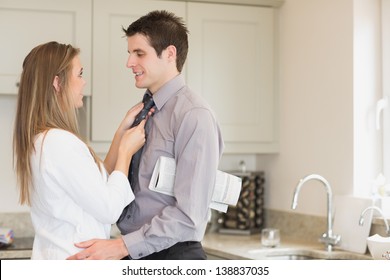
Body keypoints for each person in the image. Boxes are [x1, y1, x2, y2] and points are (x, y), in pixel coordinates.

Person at [68, 10, 224, 260]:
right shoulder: (143, 112)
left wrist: (121, 247)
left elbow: (188, 215)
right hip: (136, 252)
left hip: (172, 256)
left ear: (170, 54)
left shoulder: (194, 116)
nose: (129, 63)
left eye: (139, 53)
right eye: (129, 53)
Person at [13, 41, 148, 259]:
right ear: (57, 83)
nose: (84, 82)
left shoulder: (43, 140)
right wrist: (125, 153)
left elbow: (95, 184)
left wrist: (120, 134)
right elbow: (109, 209)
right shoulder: (59, 142)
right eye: (80, 74)